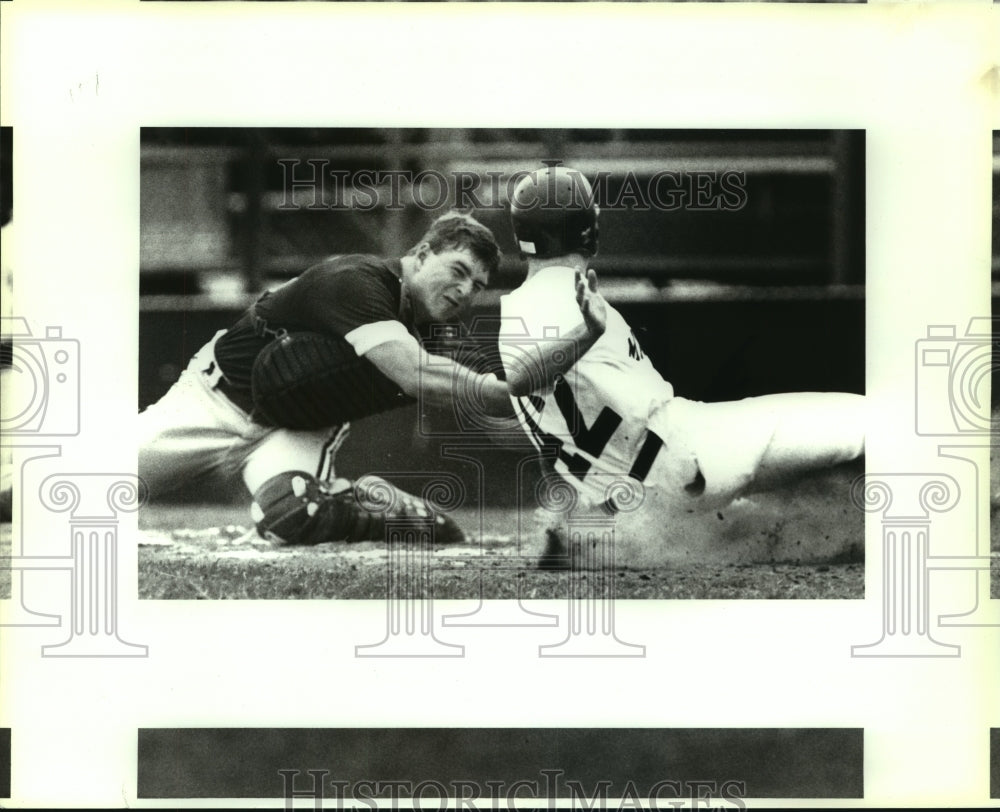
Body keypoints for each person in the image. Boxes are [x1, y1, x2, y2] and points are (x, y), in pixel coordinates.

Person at [497, 165, 866, 563]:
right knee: (869, 420)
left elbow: (553, 417)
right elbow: (519, 377)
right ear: (584, 227)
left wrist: (569, 517)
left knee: (777, 501)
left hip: (640, 498)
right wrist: (587, 332)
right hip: (682, 453)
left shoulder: (523, 305)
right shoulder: (558, 297)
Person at [138, 211, 511, 545]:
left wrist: (530, 388)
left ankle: (395, 512)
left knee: (294, 515)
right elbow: (417, 374)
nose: (465, 291)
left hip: (298, 426)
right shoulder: (357, 280)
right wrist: (508, 394)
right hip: (215, 399)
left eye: (478, 286)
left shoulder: (440, 332)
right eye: (458, 271)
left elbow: (479, 379)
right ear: (424, 255)